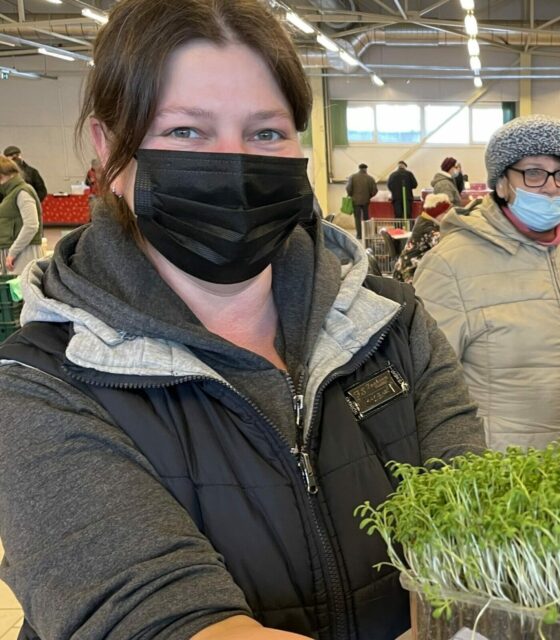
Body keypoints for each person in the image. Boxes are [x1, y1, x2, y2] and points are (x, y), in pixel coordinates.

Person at [0, 2, 485, 639]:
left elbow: (475, 534)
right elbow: (160, 619)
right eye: (185, 133)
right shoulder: (40, 384)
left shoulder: (390, 321)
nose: (233, 164)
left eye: (265, 134)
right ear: (109, 148)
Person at [414, 115, 560, 451]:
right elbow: (428, 392)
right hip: (500, 482)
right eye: (534, 173)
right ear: (501, 183)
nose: (552, 185)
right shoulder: (449, 265)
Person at [393, 192, 453, 283]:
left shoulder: (423, 221)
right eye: (446, 212)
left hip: (405, 270)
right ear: (437, 213)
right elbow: (444, 248)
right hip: (410, 274)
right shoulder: (429, 228)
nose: (448, 216)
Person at [0, 156, 43, 275]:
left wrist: (13, 252)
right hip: (15, 253)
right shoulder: (12, 193)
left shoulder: (22, 192)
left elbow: (31, 225)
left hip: (23, 253)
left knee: (20, 291)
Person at [345, 162, 377, 240]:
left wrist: (350, 195)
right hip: (366, 201)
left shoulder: (352, 177)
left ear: (359, 169)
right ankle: (366, 234)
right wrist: (369, 196)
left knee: (357, 218)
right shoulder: (370, 178)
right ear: (366, 169)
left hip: (355, 201)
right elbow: (375, 190)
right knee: (366, 218)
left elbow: (348, 188)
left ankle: (359, 235)